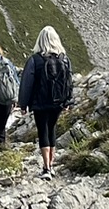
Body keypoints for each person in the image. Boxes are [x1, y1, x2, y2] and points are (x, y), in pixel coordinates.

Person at [19, 25, 74, 176]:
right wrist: (68, 101)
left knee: (43, 130)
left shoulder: (34, 60)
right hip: (58, 102)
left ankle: (46, 168)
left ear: (40, 40)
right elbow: (69, 81)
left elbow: (26, 83)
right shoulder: (64, 59)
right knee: (52, 130)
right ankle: (51, 164)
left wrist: (23, 104)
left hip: (40, 102)